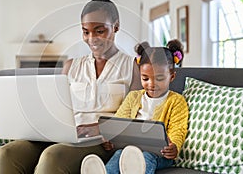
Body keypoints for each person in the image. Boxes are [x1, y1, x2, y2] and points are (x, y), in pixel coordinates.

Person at [0, 0, 141, 174]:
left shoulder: (132, 66)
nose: (92, 38)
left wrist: (101, 128)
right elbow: (56, 108)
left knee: (52, 157)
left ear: (115, 26)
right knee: (7, 153)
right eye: (85, 32)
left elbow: (137, 118)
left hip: (101, 142)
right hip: (64, 135)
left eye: (99, 31)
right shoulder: (71, 66)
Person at [80, 39, 189, 174]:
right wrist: (111, 138)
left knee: (146, 157)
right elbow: (119, 121)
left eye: (159, 78)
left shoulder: (176, 101)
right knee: (119, 154)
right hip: (129, 149)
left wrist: (174, 147)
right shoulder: (133, 97)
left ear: (172, 76)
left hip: (160, 155)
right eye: (145, 78)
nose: (152, 84)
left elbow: (178, 129)